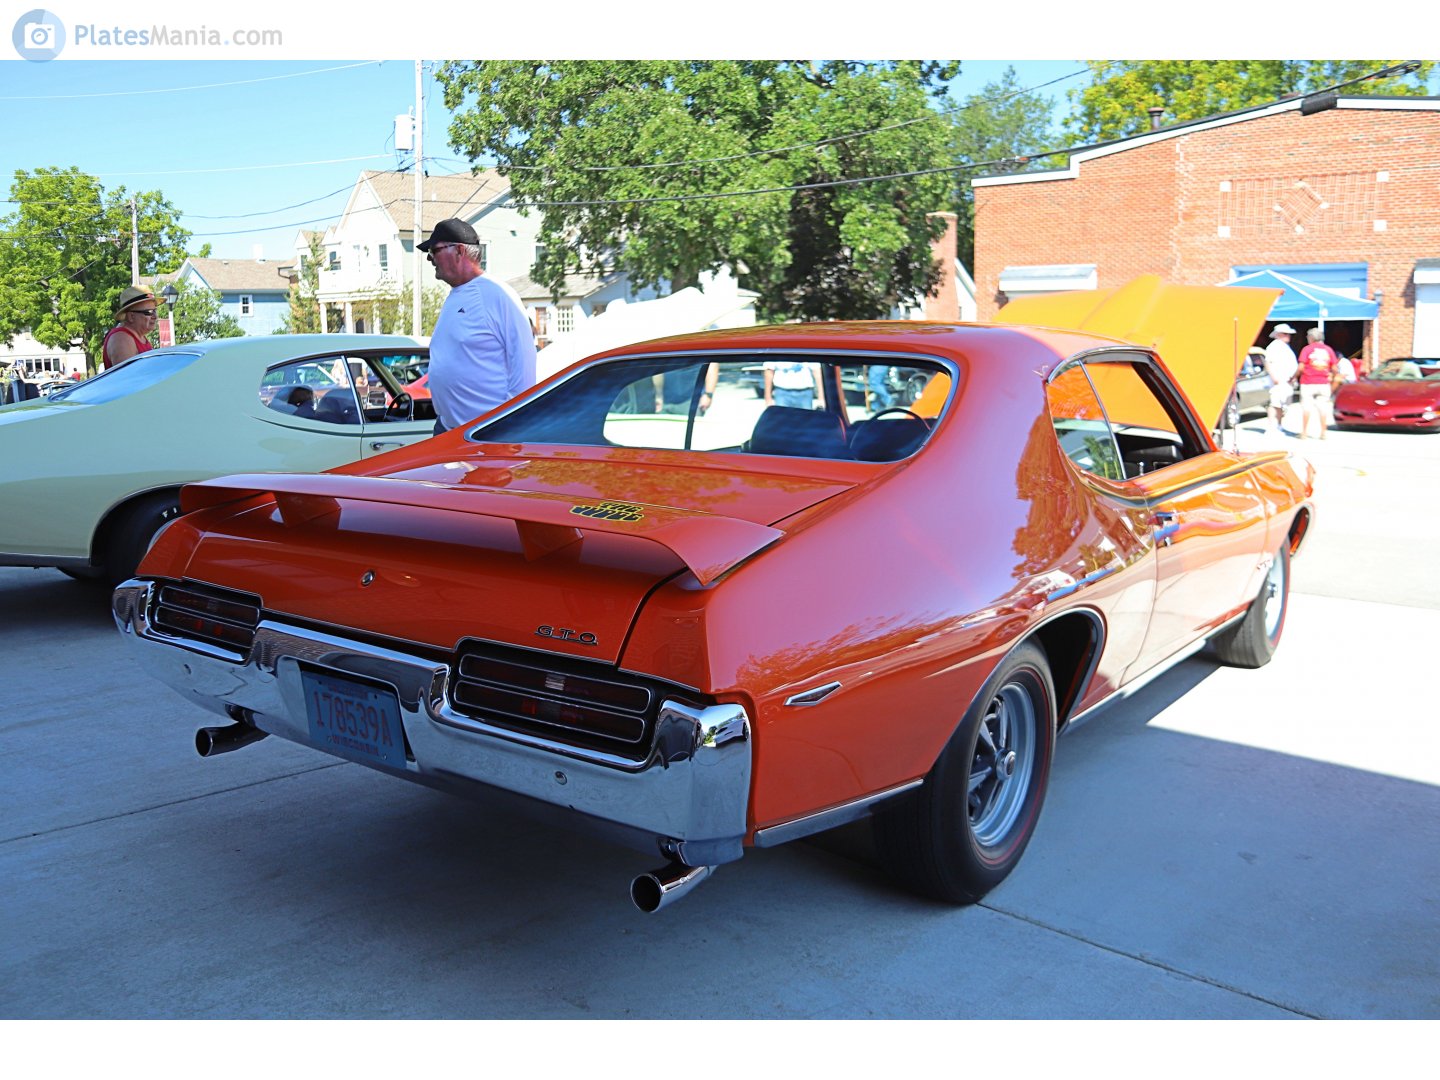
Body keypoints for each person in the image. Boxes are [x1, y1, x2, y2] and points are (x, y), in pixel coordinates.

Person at [419, 218, 537, 434]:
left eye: (434, 250)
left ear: (459, 251)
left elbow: (524, 366)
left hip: (488, 433)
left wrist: (507, 425)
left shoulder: (497, 294)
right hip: (449, 429)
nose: (430, 258)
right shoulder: (456, 296)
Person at [1296, 327, 1340, 439]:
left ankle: (1304, 433)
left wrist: (1294, 377)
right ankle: (1323, 433)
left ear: (1311, 338)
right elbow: (1335, 368)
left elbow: (1301, 367)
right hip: (1323, 382)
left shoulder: (1306, 349)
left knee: (1306, 407)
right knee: (1323, 407)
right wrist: (1332, 377)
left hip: (1308, 382)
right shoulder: (1328, 350)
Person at [103, 287, 160, 370]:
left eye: (155, 311)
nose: (155, 316)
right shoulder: (121, 338)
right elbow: (129, 377)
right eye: (149, 312)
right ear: (131, 316)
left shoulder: (138, 336)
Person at [1262, 323, 1298, 432]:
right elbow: (1268, 362)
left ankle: (1279, 425)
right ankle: (1272, 426)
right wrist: (1274, 378)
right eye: (1285, 334)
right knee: (1275, 403)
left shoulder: (1284, 346)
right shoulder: (1273, 346)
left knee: (1283, 405)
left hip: (1286, 380)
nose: (1288, 336)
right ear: (1278, 334)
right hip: (1279, 380)